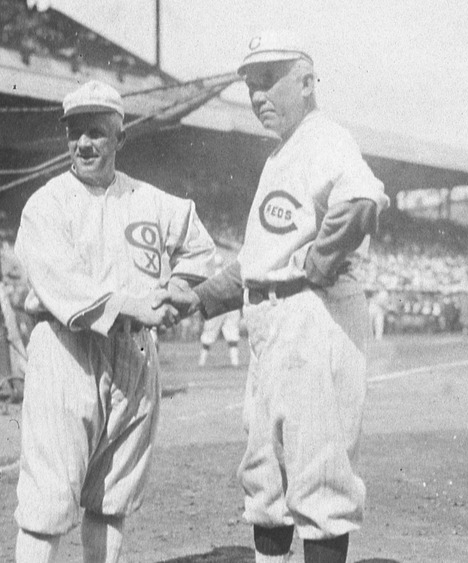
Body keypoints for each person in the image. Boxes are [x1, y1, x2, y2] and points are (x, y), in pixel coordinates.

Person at [160, 31, 389, 563]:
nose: (258, 96)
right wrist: (198, 298)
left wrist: (318, 262)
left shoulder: (325, 136)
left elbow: (363, 198)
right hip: (270, 315)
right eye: (251, 86)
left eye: (268, 82)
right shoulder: (282, 155)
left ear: (307, 83)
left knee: (317, 473)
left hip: (313, 314)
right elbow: (257, 259)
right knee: (265, 475)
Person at [12, 80, 215, 563]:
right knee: (48, 498)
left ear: (120, 139)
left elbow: (201, 249)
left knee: (113, 495)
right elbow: (58, 283)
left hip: (135, 353)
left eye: (97, 133)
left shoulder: (152, 201)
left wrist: (177, 288)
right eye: (75, 132)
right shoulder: (47, 203)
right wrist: (135, 304)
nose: (83, 144)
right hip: (67, 349)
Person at [197, 254, 242, 367]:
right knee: (232, 333)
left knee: (209, 333)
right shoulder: (228, 274)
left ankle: (202, 362)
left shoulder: (213, 276)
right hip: (231, 306)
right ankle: (235, 362)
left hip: (218, 305)